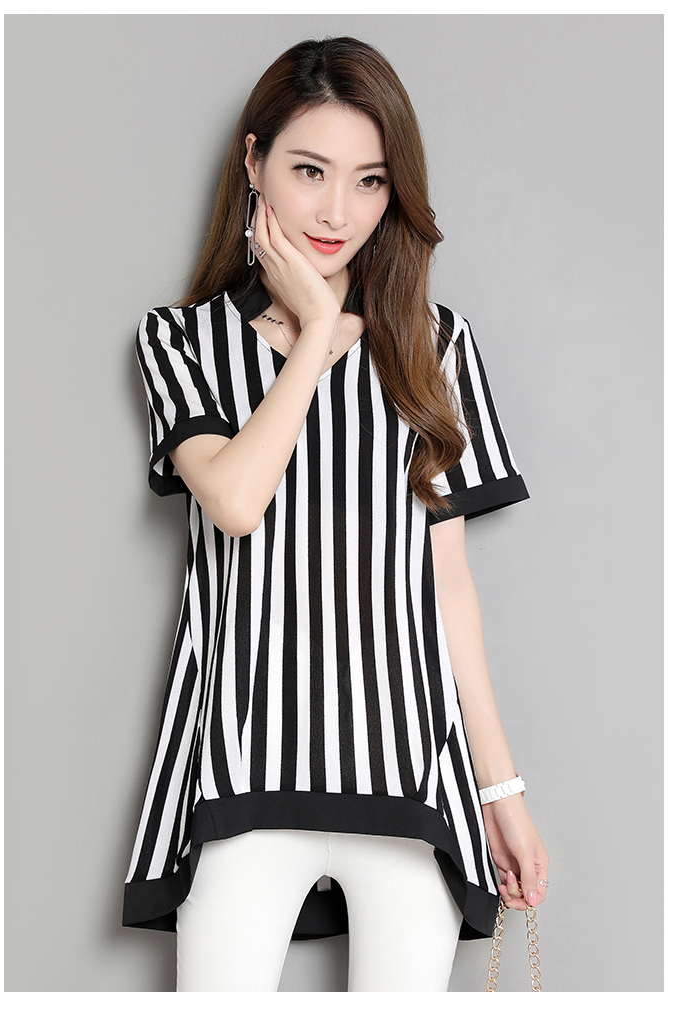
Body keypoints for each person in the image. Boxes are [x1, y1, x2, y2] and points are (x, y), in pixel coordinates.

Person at [124, 36, 549, 992]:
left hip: (408, 776)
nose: (336, 212)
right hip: (242, 772)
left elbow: (447, 589)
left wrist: (502, 790)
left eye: (370, 181)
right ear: (254, 162)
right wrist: (317, 328)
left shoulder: (434, 344)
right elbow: (235, 500)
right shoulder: (182, 340)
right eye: (309, 171)